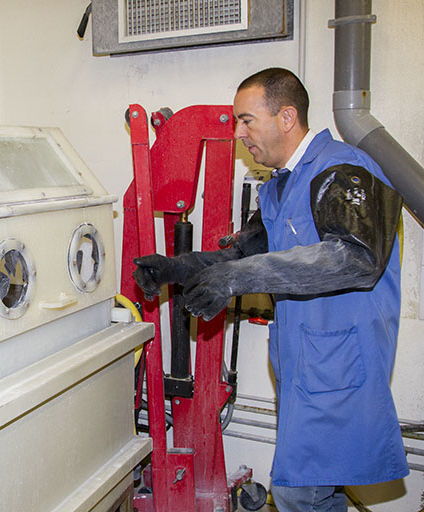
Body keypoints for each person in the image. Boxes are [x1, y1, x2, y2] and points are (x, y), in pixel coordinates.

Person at [133, 67, 408, 512]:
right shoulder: (279, 188)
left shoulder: (343, 169)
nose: (240, 133)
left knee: (299, 493)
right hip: (303, 367)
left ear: (286, 117)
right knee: (318, 491)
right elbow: (240, 258)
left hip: (341, 368)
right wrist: (176, 268)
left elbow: (354, 258)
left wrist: (238, 279)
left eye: (247, 120)